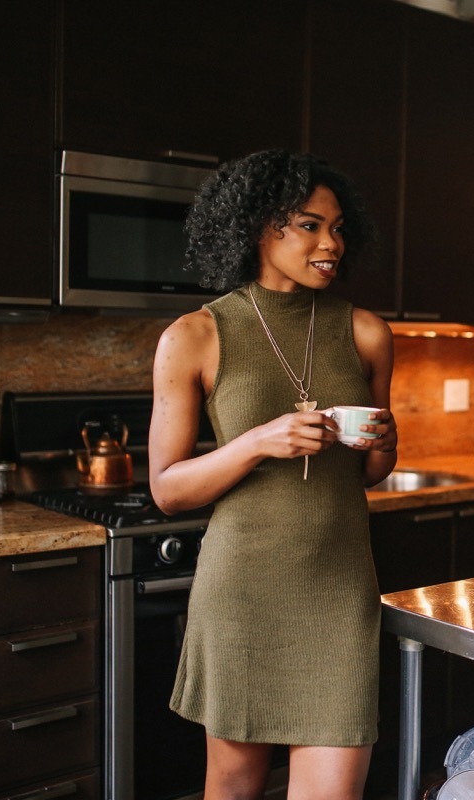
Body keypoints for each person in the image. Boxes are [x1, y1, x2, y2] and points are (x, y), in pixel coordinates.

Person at [148, 150, 398, 800]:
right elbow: (167, 489)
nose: (331, 244)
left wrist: (386, 443)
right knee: (233, 788)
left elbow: (369, 472)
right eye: (310, 226)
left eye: (338, 229)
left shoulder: (367, 333)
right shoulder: (195, 336)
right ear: (260, 226)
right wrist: (259, 442)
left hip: (339, 588)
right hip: (242, 591)